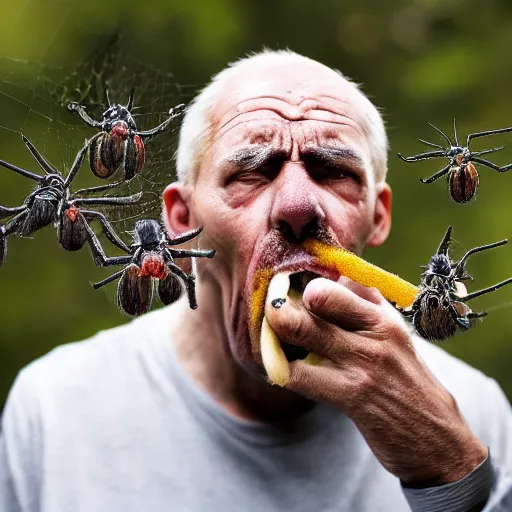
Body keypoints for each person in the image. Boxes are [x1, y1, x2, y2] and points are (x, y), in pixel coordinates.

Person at [1, 50, 512, 512]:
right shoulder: (53, 410)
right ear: (181, 221)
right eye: (251, 172)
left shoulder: (472, 415)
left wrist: (450, 477)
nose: (296, 206)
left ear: (377, 217)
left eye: (334, 171)